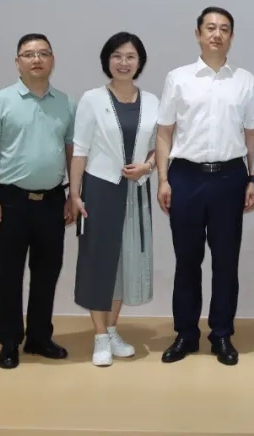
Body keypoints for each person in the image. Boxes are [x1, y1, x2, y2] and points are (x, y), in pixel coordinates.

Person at [155, 6, 254, 366]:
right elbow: (164, 131)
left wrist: (253, 177)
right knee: (187, 260)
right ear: (198, 33)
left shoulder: (244, 80)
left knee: (226, 261)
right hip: (186, 177)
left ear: (231, 36)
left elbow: (252, 134)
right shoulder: (178, 78)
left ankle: (222, 334)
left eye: (224, 29)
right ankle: (186, 333)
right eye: (211, 28)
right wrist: (163, 179)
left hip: (230, 177)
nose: (217, 34)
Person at [0, 33, 75, 369]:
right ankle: (9, 341)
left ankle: (39, 337)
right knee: (8, 275)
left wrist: (73, 196)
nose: (36, 59)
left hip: (51, 201)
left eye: (43, 53)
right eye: (29, 54)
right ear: (17, 62)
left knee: (47, 273)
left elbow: (72, 152)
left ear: (52, 60)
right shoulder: (0, 101)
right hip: (10, 201)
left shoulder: (65, 103)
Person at [68, 32, 159, 367]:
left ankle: (112, 329)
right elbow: (80, 150)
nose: (123, 62)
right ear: (107, 60)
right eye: (117, 56)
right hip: (100, 188)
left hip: (136, 189)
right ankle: (99, 336)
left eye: (130, 56)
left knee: (125, 262)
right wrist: (74, 194)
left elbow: (161, 146)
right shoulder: (92, 99)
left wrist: (148, 166)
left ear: (140, 62)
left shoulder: (152, 101)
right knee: (98, 260)